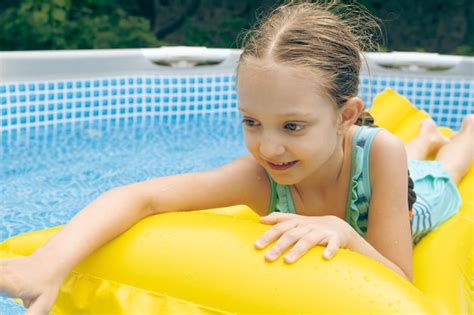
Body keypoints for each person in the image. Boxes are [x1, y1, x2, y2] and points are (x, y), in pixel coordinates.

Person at [1, 1, 473, 314]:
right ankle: (428, 138)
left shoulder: (381, 152)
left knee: (441, 176)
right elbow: (141, 197)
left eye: (292, 126)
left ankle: (450, 137)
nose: (268, 148)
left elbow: (401, 284)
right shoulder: (262, 174)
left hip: (396, 198)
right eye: (252, 122)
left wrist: (346, 232)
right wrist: (47, 263)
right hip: (355, 163)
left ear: (346, 115)